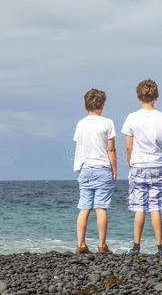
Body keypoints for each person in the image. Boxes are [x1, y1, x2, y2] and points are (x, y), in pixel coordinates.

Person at [121, 79, 162, 255]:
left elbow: (129, 146)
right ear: (156, 97)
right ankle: (160, 246)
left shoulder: (132, 117)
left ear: (139, 97)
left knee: (139, 206)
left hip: (138, 164)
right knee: (155, 206)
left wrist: (131, 163)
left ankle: (136, 247)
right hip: (157, 164)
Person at [73, 88, 117, 254]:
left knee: (84, 207)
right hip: (102, 167)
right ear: (103, 105)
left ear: (85, 105)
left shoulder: (81, 124)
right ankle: (101, 245)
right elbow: (110, 149)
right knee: (101, 208)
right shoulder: (108, 123)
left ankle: (81, 244)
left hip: (85, 168)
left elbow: (80, 144)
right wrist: (114, 170)